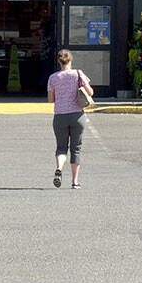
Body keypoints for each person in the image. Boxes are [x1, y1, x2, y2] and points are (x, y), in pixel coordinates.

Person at [46, 49, 91, 189]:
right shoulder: (78, 74)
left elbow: (51, 99)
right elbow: (90, 92)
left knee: (61, 147)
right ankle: (75, 182)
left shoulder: (53, 78)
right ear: (71, 60)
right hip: (77, 115)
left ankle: (59, 168)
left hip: (60, 116)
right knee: (76, 149)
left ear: (59, 61)